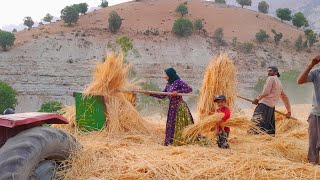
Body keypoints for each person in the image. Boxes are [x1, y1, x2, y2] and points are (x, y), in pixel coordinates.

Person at [146, 68, 194, 146]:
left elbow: (189, 89)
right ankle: (170, 142)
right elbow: (162, 95)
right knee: (170, 124)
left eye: (166, 75)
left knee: (180, 124)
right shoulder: (168, 85)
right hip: (172, 108)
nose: (164, 76)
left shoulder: (178, 82)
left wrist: (177, 92)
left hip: (179, 107)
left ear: (170, 75)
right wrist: (149, 93)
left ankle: (181, 141)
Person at [250, 66, 291, 135]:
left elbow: (266, 92)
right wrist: (289, 111)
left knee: (256, 127)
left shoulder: (270, 78)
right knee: (267, 131)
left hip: (263, 106)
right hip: (271, 108)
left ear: (276, 72)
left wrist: (257, 99)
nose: (268, 72)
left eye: (270, 71)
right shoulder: (279, 82)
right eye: (268, 71)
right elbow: (285, 97)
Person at [297, 55, 320, 165]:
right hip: (316, 113)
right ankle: (313, 165)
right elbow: (300, 81)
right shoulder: (316, 73)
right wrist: (311, 64)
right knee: (313, 142)